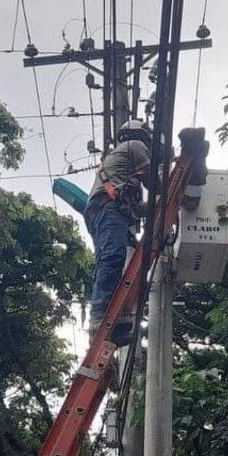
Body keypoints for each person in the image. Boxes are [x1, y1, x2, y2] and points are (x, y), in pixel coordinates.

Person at [85, 119, 152, 343]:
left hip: (104, 210)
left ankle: (115, 322)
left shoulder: (123, 174)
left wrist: (156, 208)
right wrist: (170, 189)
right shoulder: (136, 145)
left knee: (113, 259)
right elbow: (151, 180)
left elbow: (139, 209)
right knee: (113, 255)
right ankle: (99, 317)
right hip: (107, 206)